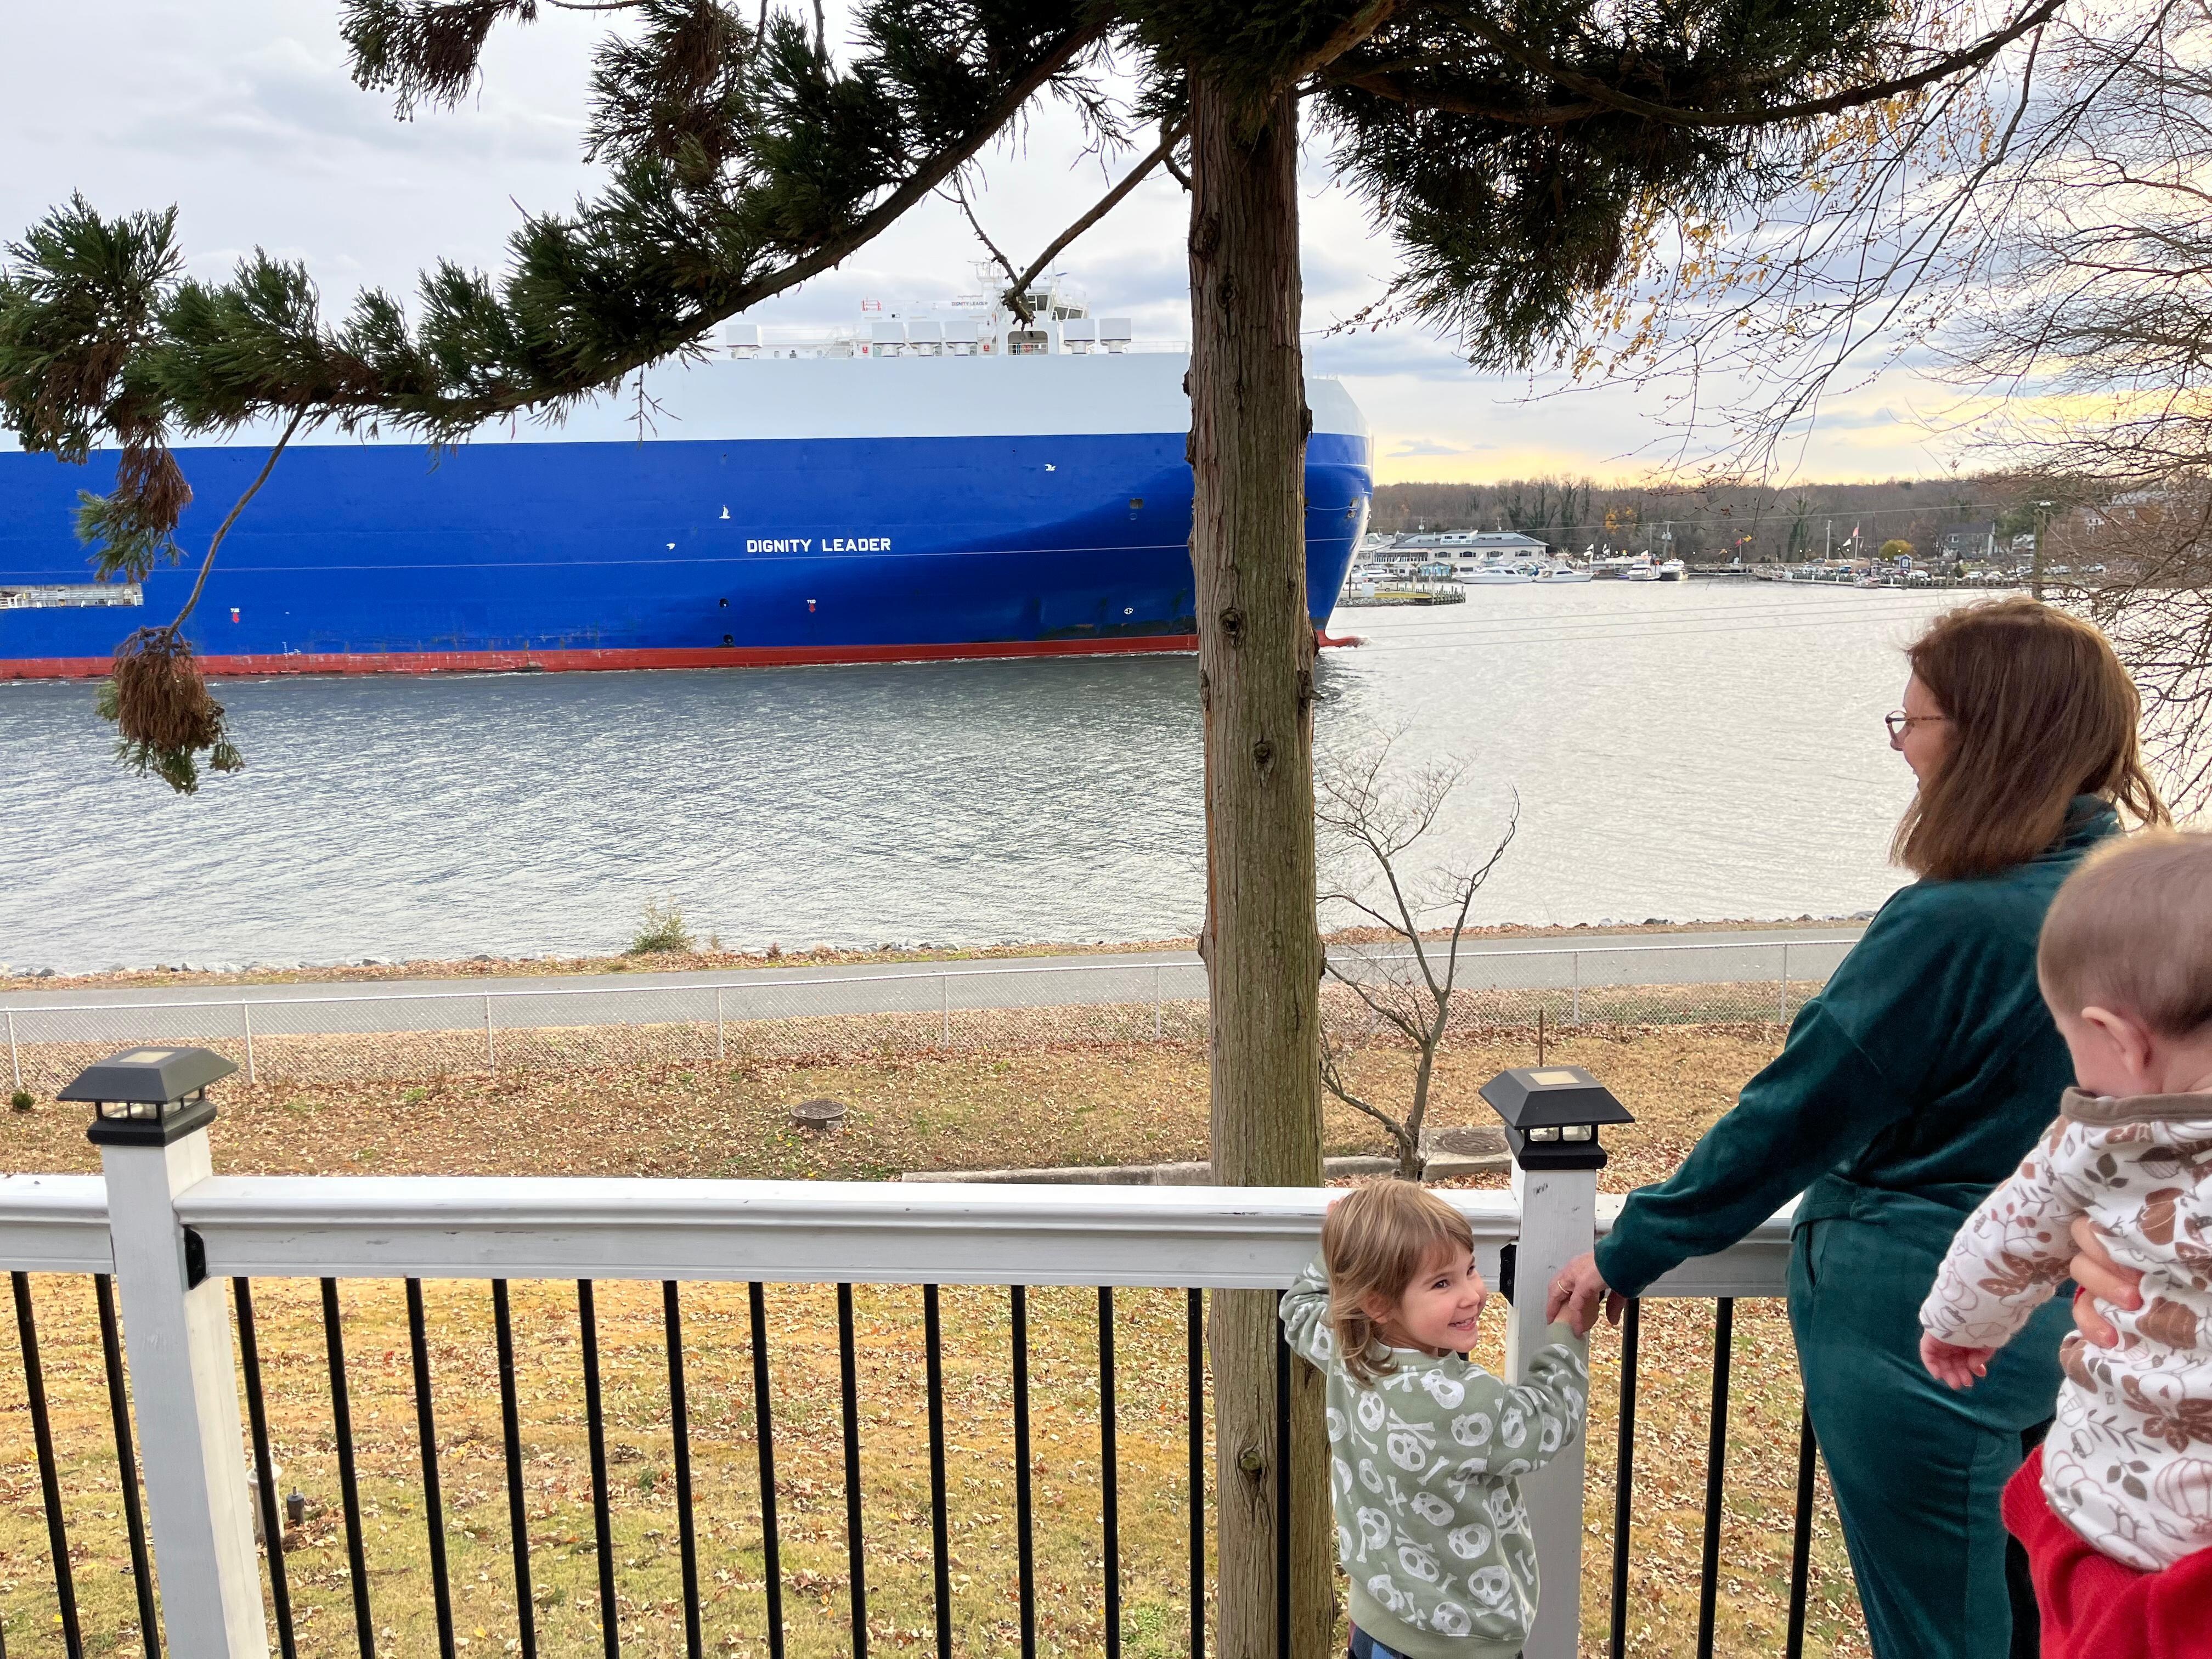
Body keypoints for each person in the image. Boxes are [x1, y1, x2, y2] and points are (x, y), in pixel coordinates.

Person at [1544, 596, 2169, 1659]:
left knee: (1945, 1637)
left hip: (1927, 1359)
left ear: (1986, 741)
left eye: (1912, 725)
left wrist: (1628, 1248)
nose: (1903, 753)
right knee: (2069, 1626)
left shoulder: (1955, 925)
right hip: (2096, 1344)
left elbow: (1794, 1115)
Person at [1281, 1181, 1587, 1659]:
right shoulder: (1462, 1401)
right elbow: (1547, 1420)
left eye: (1470, 1269)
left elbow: (1299, 1308)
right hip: (1461, 1643)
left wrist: (1337, 1250)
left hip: (1377, 1621)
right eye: (1442, 1283)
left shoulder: (1349, 1350)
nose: (1473, 1294)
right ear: (1378, 1302)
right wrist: (1567, 1333)